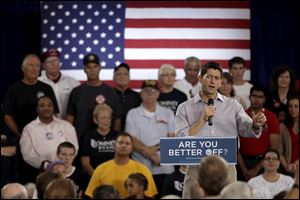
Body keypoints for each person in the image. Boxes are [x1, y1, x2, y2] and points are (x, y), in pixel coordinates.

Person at [175, 61, 267, 198]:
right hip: (196, 168)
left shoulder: (233, 106)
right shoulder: (184, 108)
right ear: (200, 79)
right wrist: (202, 121)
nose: (212, 81)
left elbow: (247, 129)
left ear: (220, 83)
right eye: (208, 77)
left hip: (226, 167)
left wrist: (255, 124)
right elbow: (180, 139)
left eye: (216, 78)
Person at [125, 80, 175, 198]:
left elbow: (172, 139)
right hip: (141, 168)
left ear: (158, 94)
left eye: (153, 91)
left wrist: (155, 151)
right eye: (146, 91)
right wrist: (152, 155)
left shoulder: (168, 113)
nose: (149, 94)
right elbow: (132, 139)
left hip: (164, 167)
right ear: (141, 94)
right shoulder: (133, 113)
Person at [66, 53, 123, 145]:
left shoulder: (110, 92)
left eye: (95, 66)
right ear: (84, 69)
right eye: (89, 67)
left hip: (104, 145)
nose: (92, 70)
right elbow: (69, 119)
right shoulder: (76, 92)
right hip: (79, 141)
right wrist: (69, 141)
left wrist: (114, 139)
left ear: (100, 67)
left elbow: (117, 119)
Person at [85, 132, 158, 199]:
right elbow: (92, 195)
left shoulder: (143, 170)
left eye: (127, 143)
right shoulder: (100, 169)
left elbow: (150, 196)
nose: (123, 145)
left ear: (132, 148)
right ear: (114, 145)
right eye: (120, 142)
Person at [3, 53, 59, 139]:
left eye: (37, 66)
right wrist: (20, 135)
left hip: (44, 137)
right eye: (30, 65)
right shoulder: (13, 90)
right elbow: (8, 117)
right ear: (23, 68)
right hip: (21, 137)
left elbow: (54, 113)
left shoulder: (47, 88)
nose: (34, 69)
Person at [20, 95, 78, 169]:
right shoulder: (29, 128)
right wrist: (48, 166)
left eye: (49, 105)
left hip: (65, 169)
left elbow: (74, 148)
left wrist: (62, 164)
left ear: (53, 108)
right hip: (41, 171)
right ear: (37, 109)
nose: (46, 108)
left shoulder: (66, 126)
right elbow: (28, 155)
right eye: (42, 106)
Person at [238, 84, 280, 181]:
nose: (257, 99)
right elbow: (235, 146)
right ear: (249, 97)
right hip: (242, 162)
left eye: (260, 97)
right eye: (254, 96)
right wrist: (244, 169)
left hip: (263, 162)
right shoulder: (241, 116)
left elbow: (273, 148)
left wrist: (256, 170)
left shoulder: (271, 117)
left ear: (265, 99)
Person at [39, 48, 80, 119]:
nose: (53, 63)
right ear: (44, 65)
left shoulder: (73, 83)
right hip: (44, 126)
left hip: (68, 125)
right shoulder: (38, 83)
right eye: (49, 61)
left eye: (55, 60)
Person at [81, 103, 119, 176]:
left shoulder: (117, 136)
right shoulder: (89, 137)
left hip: (116, 175)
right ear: (95, 120)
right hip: (95, 176)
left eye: (109, 118)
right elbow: (85, 163)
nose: (106, 121)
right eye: (103, 118)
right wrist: (97, 177)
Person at [113, 63, 141, 130]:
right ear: (113, 78)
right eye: (119, 74)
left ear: (129, 78)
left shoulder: (138, 97)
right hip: (113, 136)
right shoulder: (108, 95)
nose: (122, 76)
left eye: (125, 74)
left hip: (134, 135)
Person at [278, 95, 299, 176]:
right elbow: (279, 152)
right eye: (290, 106)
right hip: (287, 169)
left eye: (296, 106)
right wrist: (287, 166)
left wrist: (296, 164)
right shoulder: (282, 127)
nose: (293, 110)